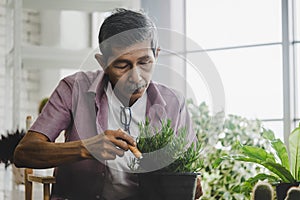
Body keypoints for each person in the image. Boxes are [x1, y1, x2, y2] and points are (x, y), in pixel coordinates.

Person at [14, 8, 202, 200]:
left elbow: (191, 178)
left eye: (145, 62)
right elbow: (24, 154)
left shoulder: (173, 103)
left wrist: (188, 184)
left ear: (157, 55)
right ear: (103, 62)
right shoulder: (73, 89)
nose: (136, 77)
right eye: (122, 65)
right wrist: (85, 148)